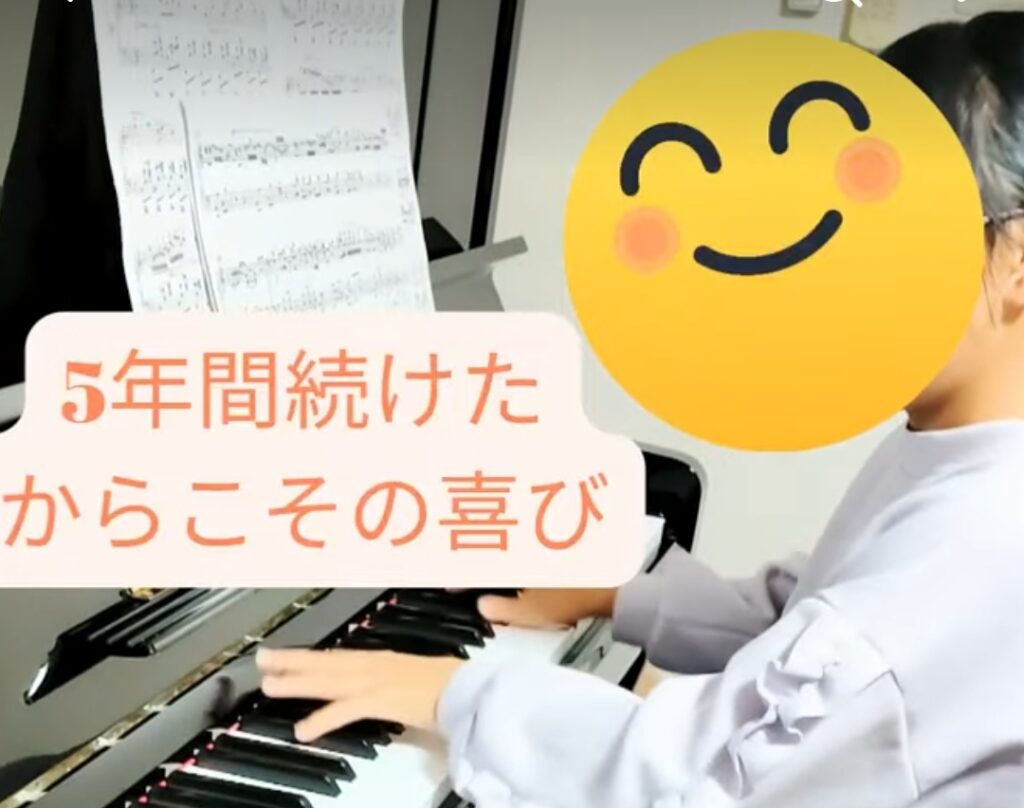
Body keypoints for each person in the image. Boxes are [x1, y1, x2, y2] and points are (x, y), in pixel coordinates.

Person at [256, 14, 1024, 807]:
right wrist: (619, 594)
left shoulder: (982, 542)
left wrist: (455, 692)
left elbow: (696, 776)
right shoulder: (958, 448)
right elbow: (805, 621)